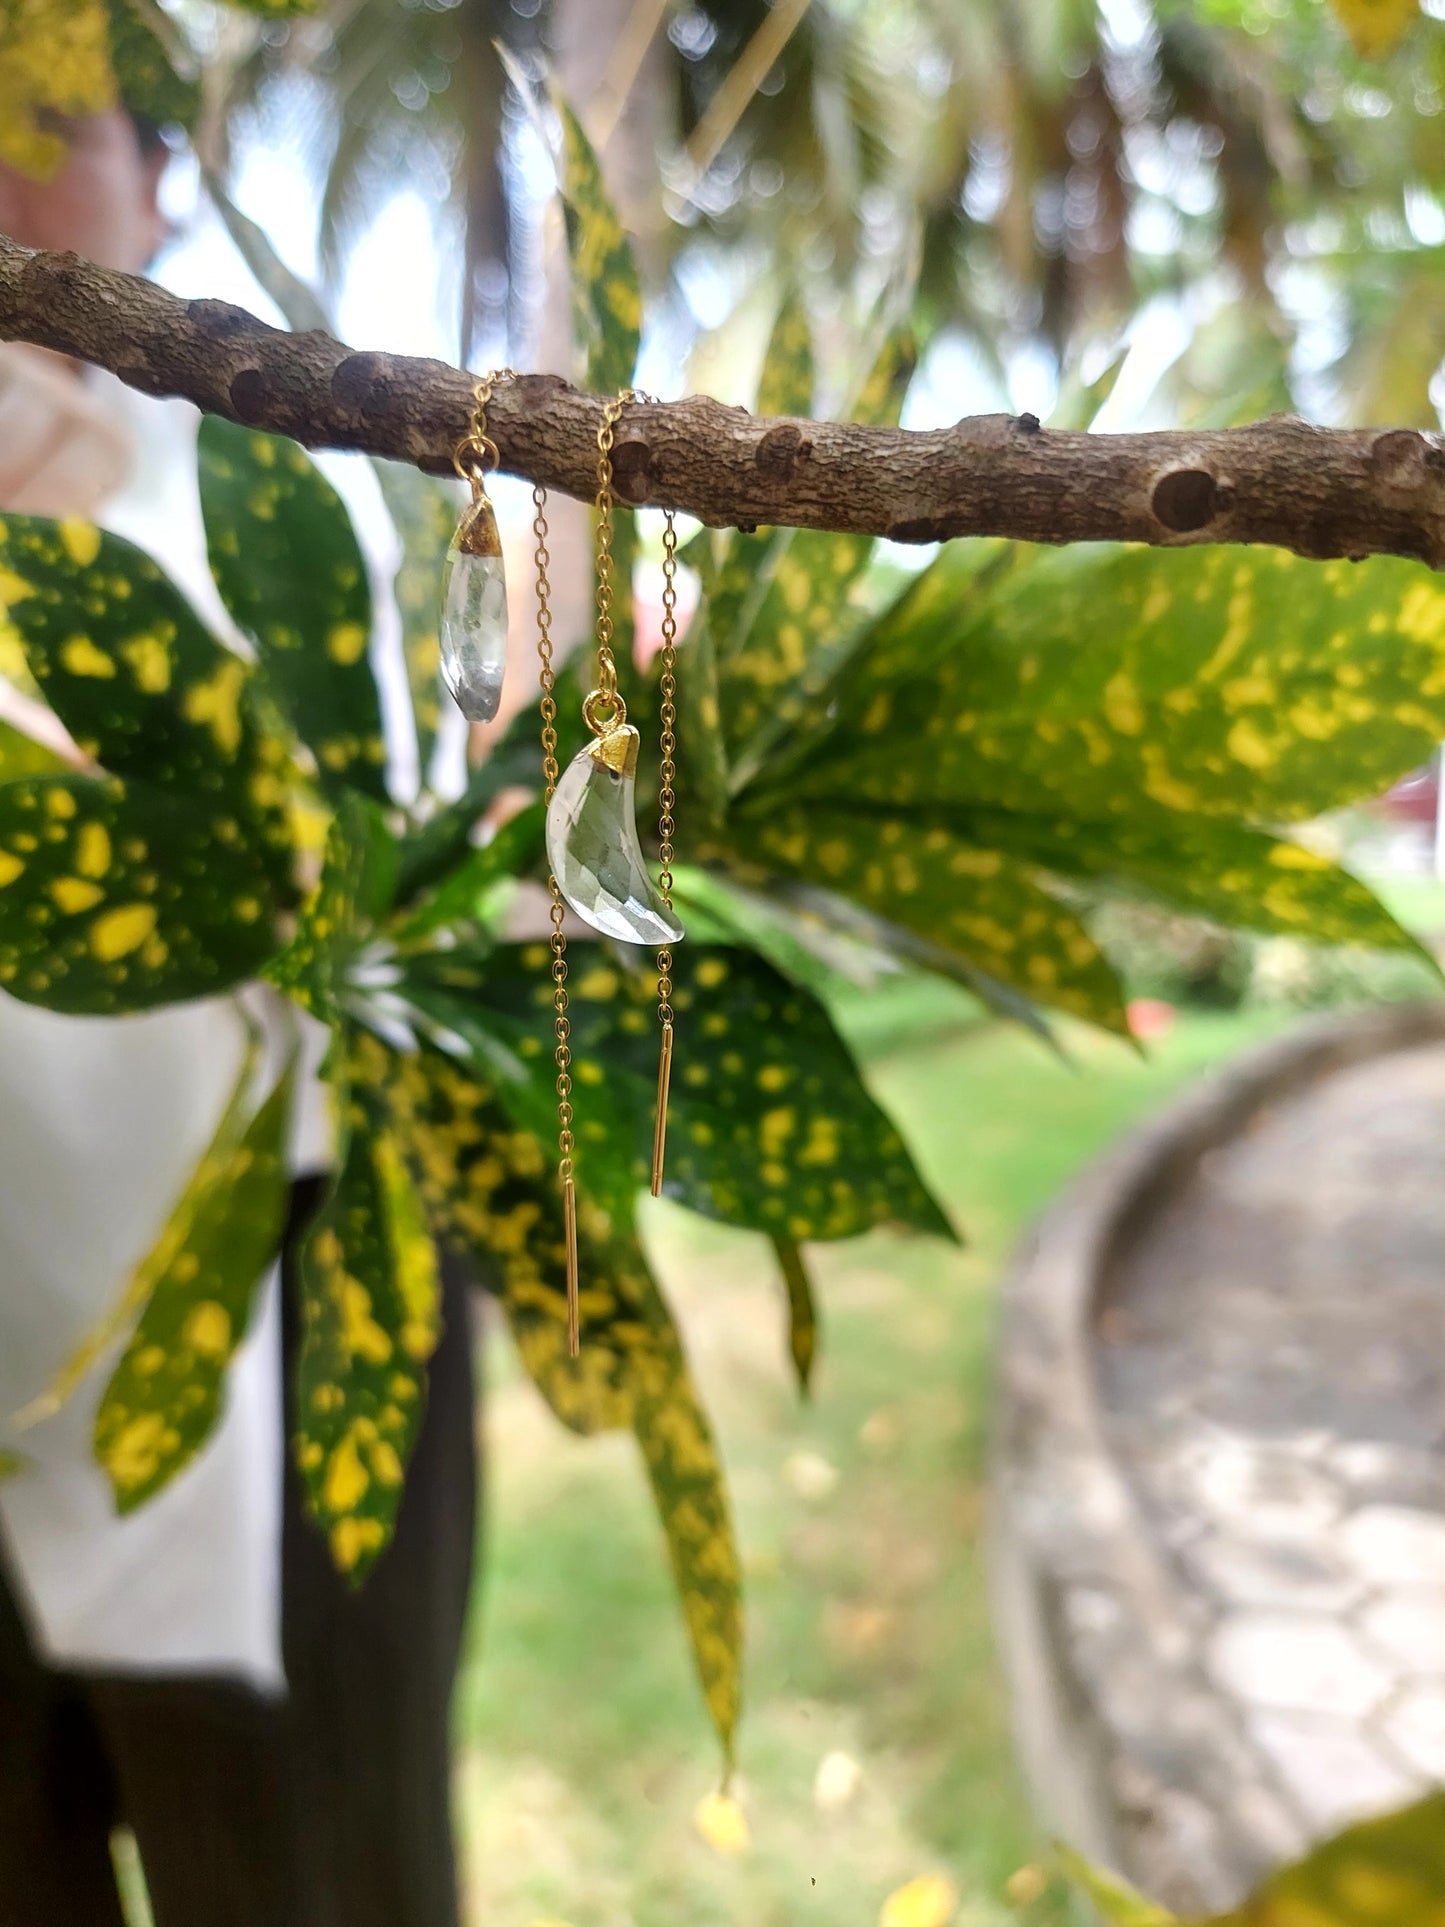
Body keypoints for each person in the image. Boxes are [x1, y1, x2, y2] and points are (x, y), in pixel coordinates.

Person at [0, 110, 478, 1927]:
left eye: (49, 122)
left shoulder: (277, 458)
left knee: (310, 1873)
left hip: (278, 1298)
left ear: (161, 166)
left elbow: (354, 835)